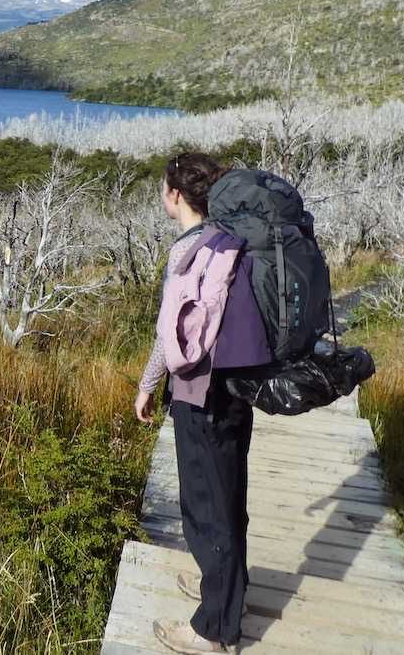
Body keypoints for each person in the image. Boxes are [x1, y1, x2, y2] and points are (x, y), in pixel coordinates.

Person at [134, 153, 254, 655]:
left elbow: (169, 333)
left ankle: (215, 629)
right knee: (229, 498)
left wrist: (146, 384)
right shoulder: (233, 240)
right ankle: (226, 593)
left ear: (177, 196)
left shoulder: (188, 249)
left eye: (165, 189)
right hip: (235, 391)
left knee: (206, 506)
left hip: (198, 393)